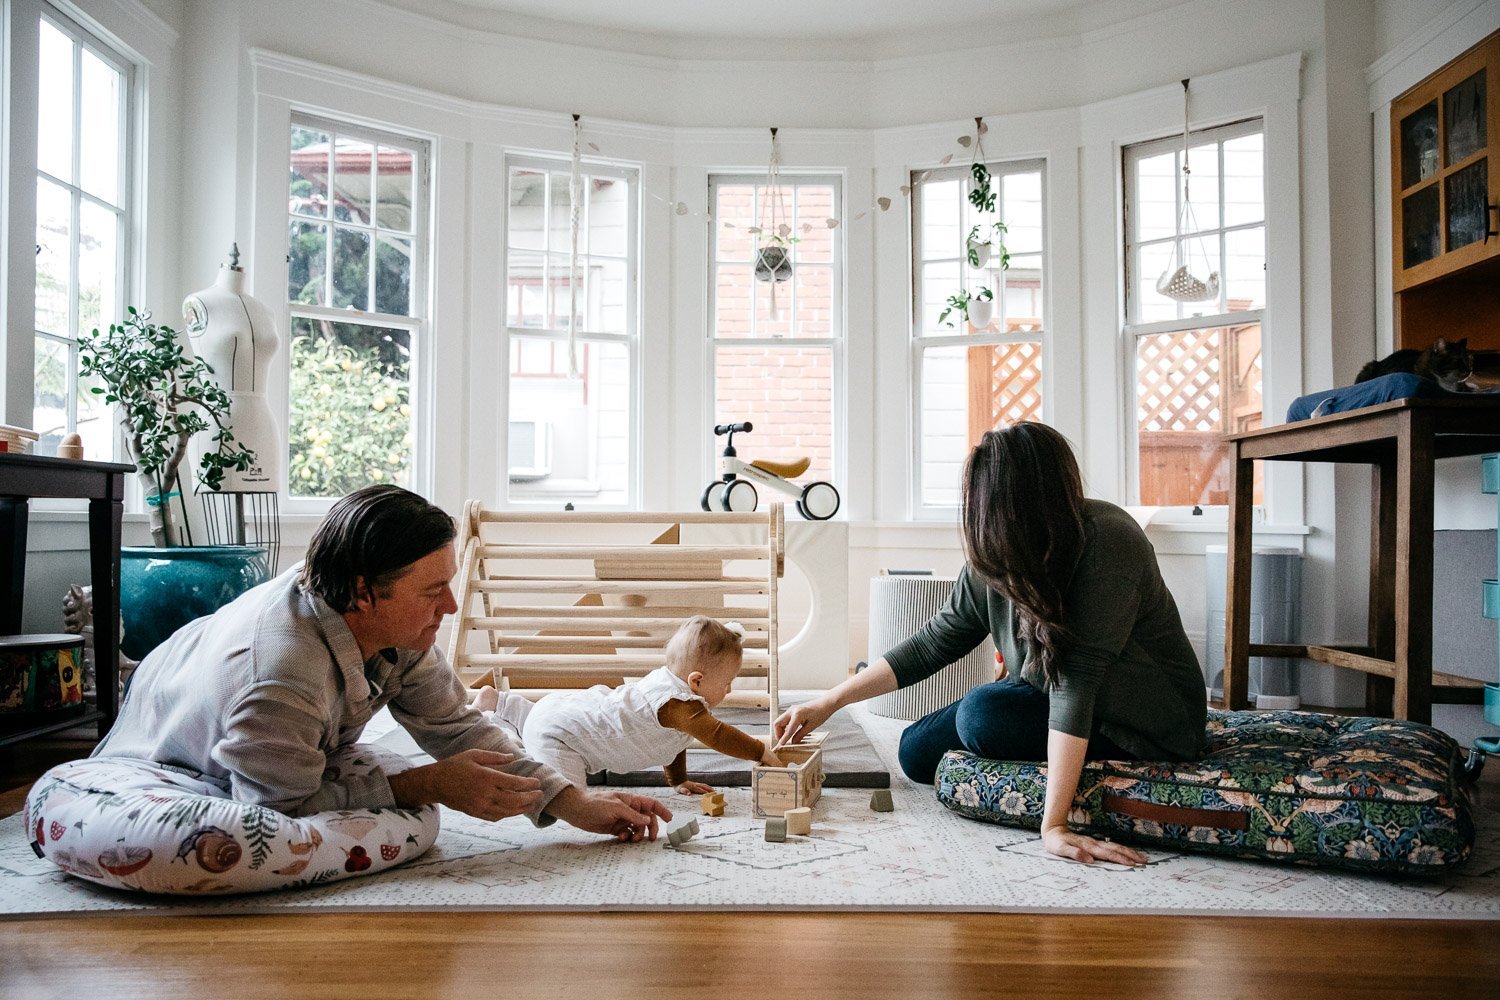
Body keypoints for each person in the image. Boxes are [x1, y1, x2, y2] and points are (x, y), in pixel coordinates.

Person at [93, 484, 670, 842]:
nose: (449, 606)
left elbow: (459, 725)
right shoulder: (279, 677)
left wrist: (574, 802)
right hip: (161, 740)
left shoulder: (399, 631)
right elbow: (280, 806)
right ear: (364, 593)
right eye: (431, 592)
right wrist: (429, 783)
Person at [774, 422, 1206, 866]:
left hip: (1140, 719)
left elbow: (1076, 685)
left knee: (983, 714)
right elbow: (932, 644)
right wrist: (827, 703)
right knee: (915, 752)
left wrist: (1053, 825)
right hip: (1044, 694)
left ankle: (1031, 757)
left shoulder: (1110, 541)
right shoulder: (996, 552)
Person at [474, 615, 783, 793]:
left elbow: (674, 742)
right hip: (560, 738)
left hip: (561, 710)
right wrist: (759, 751)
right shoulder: (680, 705)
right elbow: (717, 735)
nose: (729, 690)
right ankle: (504, 740)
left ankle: (501, 704)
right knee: (567, 797)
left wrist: (678, 781)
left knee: (541, 718)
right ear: (697, 681)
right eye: (727, 682)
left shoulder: (673, 695)